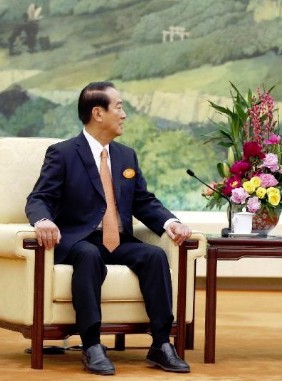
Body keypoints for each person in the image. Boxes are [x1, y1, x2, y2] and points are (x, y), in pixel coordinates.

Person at [25, 81, 192, 376]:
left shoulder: (126, 156)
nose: (124, 114)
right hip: (79, 240)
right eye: (119, 106)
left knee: (154, 256)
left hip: (118, 240)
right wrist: (43, 221)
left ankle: (161, 344)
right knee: (89, 256)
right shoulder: (62, 153)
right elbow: (39, 198)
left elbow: (143, 201)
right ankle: (91, 345)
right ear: (97, 113)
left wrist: (170, 223)